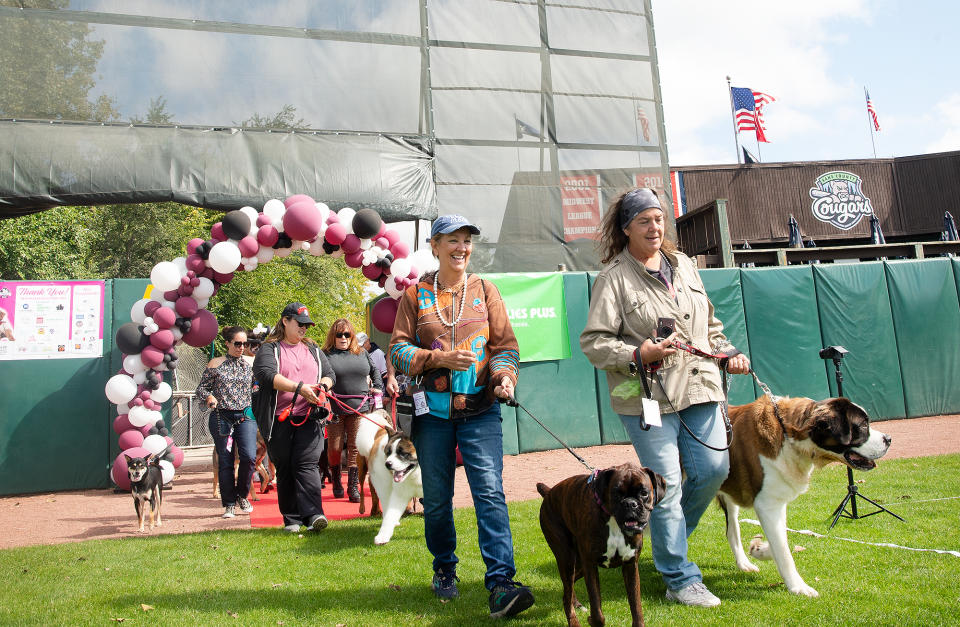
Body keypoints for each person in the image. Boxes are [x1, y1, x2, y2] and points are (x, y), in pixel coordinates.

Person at [579, 188, 751, 608]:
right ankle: (679, 577)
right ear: (626, 229)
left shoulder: (686, 265)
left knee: (714, 468)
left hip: (700, 387)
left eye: (658, 219)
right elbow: (594, 343)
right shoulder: (613, 278)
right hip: (647, 398)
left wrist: (726, 351)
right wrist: (638, 353)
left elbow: (709, 324)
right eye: (644, 221)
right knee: (667, 484)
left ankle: (663, 542)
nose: (654, 228)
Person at [389, 214, 534, 618]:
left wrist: (504, 377)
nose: (462, 248)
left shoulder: (486, 290)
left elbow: (505, 347)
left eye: (467, 240)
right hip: (432, 418)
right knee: (437, 501)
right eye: (453, 240)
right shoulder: (415, 294)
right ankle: (444, 569)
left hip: (481, 411)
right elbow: (398, 353)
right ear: (434, 246)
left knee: (489, 493)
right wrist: (438, 358)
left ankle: (501, 583)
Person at [252, 302, 335, 533]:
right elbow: (267, 375)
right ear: (285, 321)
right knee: (286, 466)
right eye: (300, 324)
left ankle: (314, 515)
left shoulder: (314, 350)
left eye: (306, 326)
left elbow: (329, 374)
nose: (304, 329)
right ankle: (292, 519)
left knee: (307, 464)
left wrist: (322, 387)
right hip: (279, 418)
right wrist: (299, 388)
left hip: (310, 417)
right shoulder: (270, 349)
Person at [196, 326, 257, 519]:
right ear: (227, 344)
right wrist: (209, 398)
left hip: (245, 415)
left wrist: (257, 390)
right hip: (221, 416)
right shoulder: (216, 364)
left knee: (248, 456)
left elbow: (259, 384)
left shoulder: (250, 363)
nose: (241, 347)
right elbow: (202, 389)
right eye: (237, 343)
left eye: (244, 344)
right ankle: (229, 503)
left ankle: (242, 495)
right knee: (225, 460)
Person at [322, 319, 383, 502]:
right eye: (339, 334)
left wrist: (378, 386)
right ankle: (337, 480)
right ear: (333, 336)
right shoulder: (325, 354)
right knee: (334, 447)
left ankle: (352, 486)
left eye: (347, 334)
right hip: (335, 407)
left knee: (356, 447)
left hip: (359, 407)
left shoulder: (362, 353)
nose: (343, 338)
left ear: (352, 336)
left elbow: (375, 372)